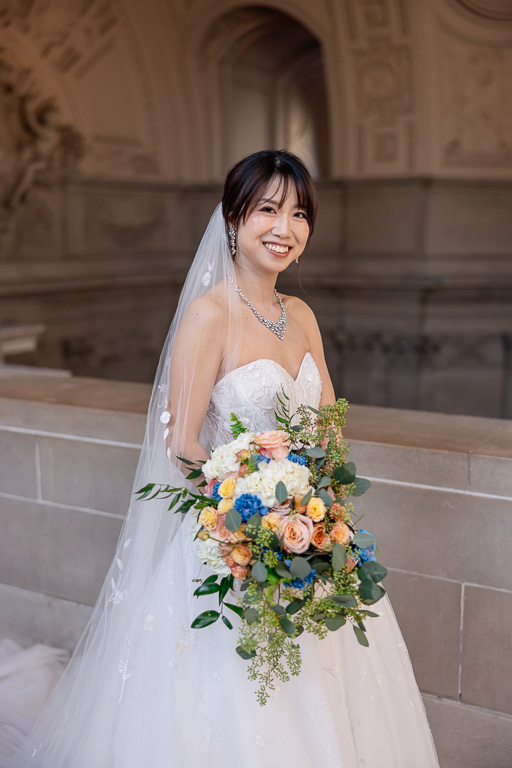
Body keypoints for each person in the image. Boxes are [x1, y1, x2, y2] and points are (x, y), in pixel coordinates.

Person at [6, 150, 440, 767]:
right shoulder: (209, 315)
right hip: (233, 543)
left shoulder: (303, 315)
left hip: (312, 536)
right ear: (234, 217)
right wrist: (251, 518)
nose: (285, 228)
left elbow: (329, 429)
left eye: (299, 214)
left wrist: (317, 509)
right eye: (268, 210)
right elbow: (183, 443)